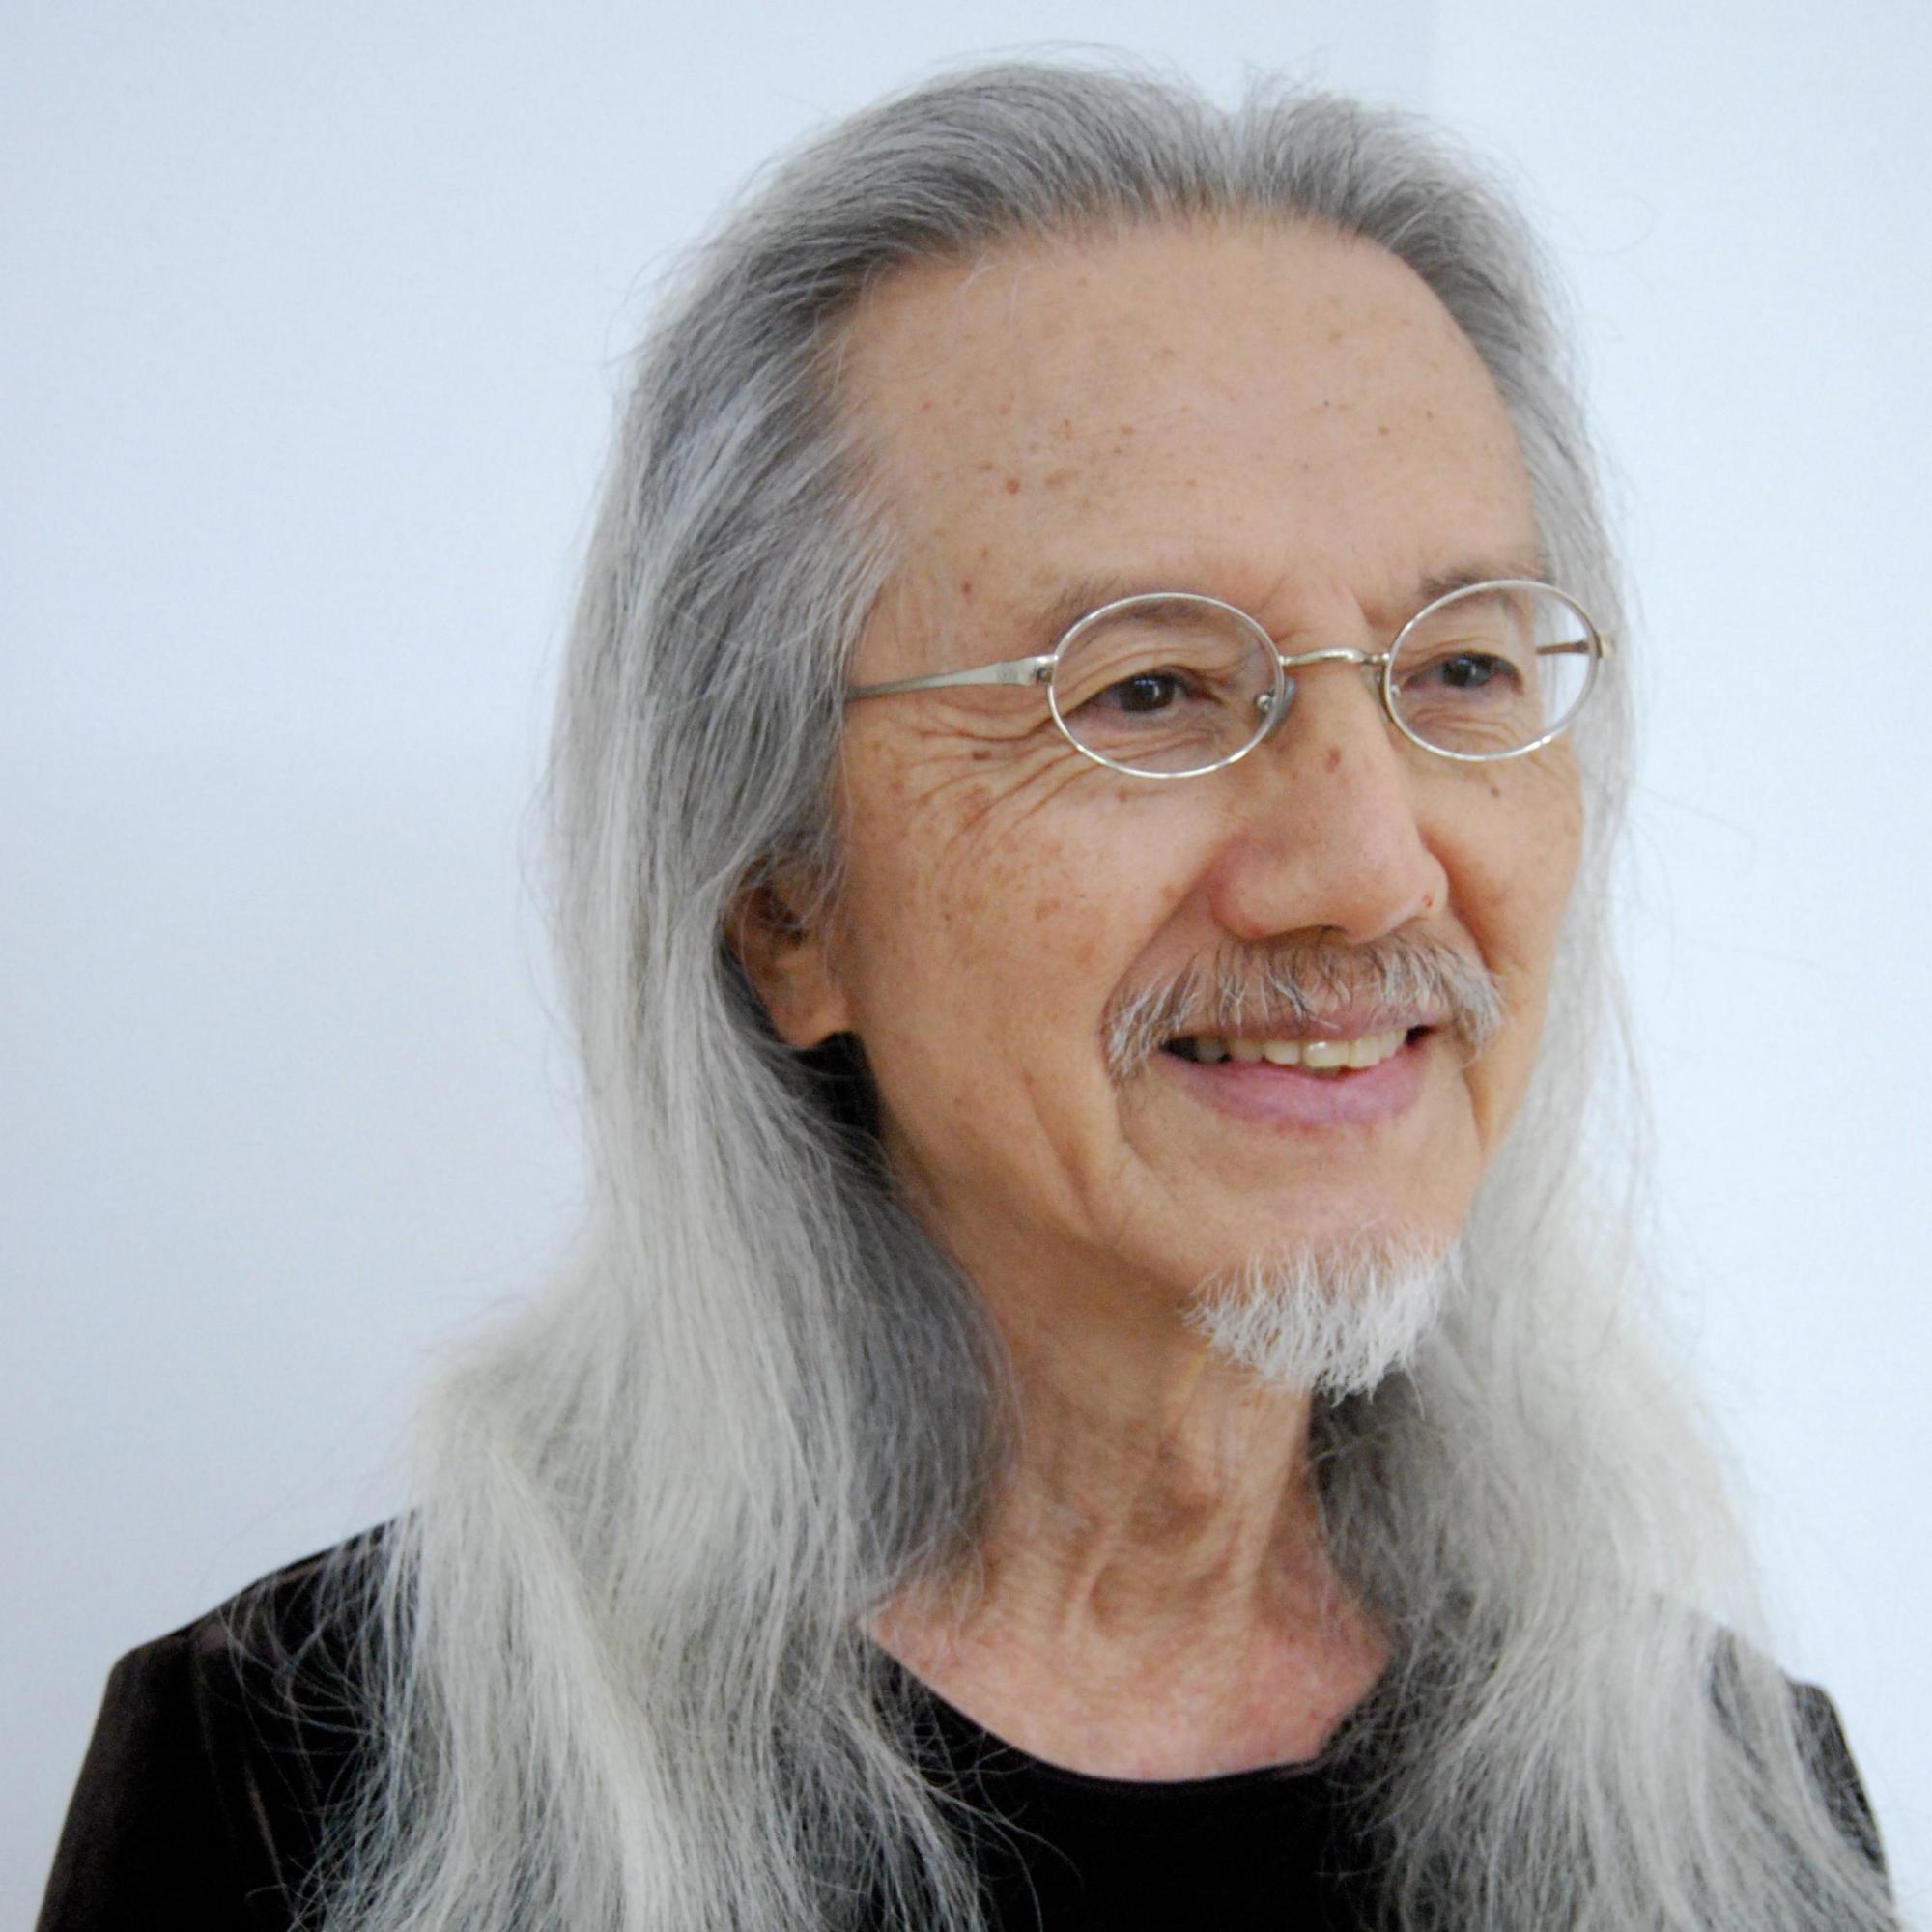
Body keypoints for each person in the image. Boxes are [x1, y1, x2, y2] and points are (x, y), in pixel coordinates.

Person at [39, 59, 1897, 1932]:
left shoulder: (1716, 1814)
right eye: (1147, 690)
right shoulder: (304, 1796)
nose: (1368, 864)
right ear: (786, 905)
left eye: (1462, 670)